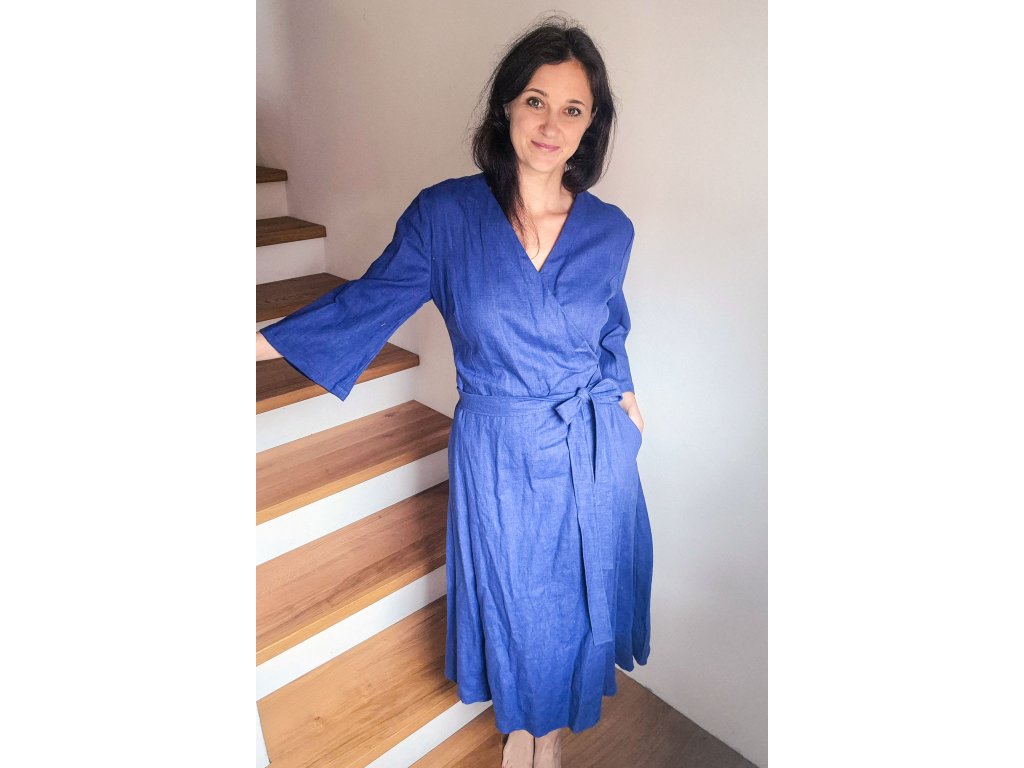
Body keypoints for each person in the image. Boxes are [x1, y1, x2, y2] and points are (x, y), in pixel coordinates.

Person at [256, 17, 652, 768]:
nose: (551, 125)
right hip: (499, 448)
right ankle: (521, 725)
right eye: (536, 101)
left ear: (591, 124)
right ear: (506, 105)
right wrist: (256, 343)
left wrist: (627, 397)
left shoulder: (611, 229)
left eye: (572, 109)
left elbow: (609, 326)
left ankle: (549, 734)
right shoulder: (446, 216)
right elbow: (366, 303)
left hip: (594, 444)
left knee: (578, 594)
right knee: (515, 599)